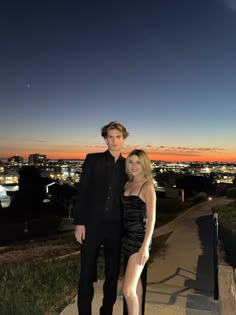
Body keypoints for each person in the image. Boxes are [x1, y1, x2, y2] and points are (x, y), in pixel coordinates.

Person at [74, 121, 129, 315]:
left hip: (116, 226)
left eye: (118, 137)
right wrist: (79, 223)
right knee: (86, 273)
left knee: (112, 273)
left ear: (124, 139)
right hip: (92, 225)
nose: (114, 141)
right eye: (110, 137)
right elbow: (83, 193)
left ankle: (106, 311)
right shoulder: (93, 160)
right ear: (105, 139)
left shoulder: (128, 165)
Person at [122, 149, 156, 315]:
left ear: (144, 165)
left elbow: (151, 219)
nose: (134, 166)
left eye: (138, 162)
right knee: (136, 286)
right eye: (131, 162)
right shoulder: (127, 183)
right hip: (126, 238)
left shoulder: (147, 186)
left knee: (127, 290)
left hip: (138, 241)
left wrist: (145, 246)